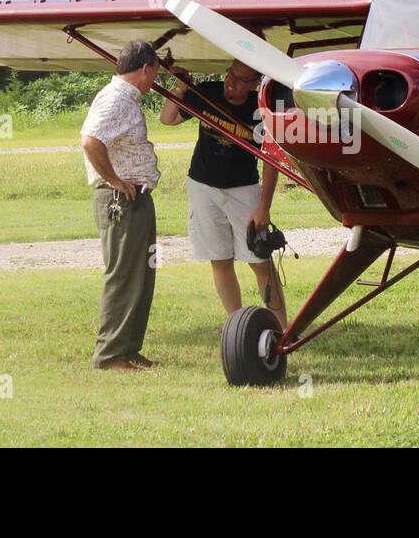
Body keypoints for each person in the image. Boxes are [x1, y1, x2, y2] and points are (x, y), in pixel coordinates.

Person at [160, 60, 289, 327]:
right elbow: (168, 119)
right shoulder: (209, 92)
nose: (231, 83)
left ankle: (281, 329)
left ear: (255, 83)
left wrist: (264, 207)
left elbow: (271, 159)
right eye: (230, 75)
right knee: (219, 259)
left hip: (243, 189)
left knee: (260, 261)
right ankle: (237, 327)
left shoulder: (261, 108)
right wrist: (181, 88)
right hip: (202, 186)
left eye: (241, 80)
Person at [80, 40, 162, 372]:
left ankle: (128, 348)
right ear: (145, 68)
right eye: (155, 73)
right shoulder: (115, 99)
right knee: (123, 274)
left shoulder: (127, 99)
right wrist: (113, 179)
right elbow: (90, 140)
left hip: (136, 196)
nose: (155, 80)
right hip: (121, 199)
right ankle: (110, 354)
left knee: (141, 275)